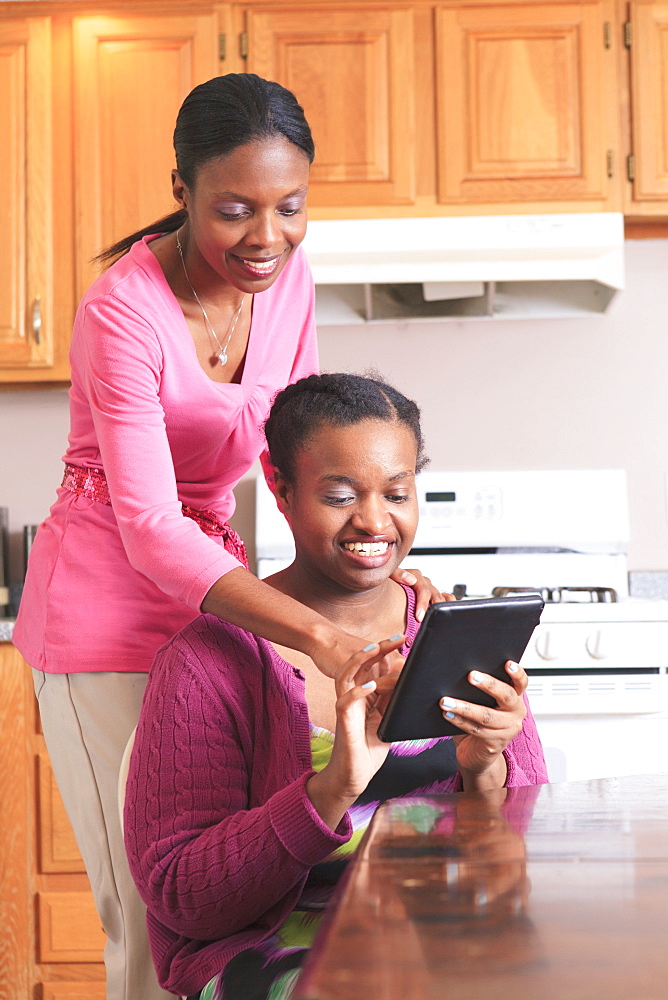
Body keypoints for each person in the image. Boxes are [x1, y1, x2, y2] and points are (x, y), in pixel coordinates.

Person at [12, 76, 437, 1000]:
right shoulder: (120, 311)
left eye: (290, 209)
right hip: (107, 614)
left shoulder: (290, 285)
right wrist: (318, 632)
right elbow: (154, 527)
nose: (267, 238)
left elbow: (307, 453)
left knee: (239, 889)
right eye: (235, 211)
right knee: (148, 912)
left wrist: (376, 569)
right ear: (182, 190)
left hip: (226, 600)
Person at [124, 372, 548, 1000]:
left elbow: (529, 849)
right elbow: (182, 897)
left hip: (441, 930)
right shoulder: (208, 661)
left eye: (397, 494)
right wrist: (332, 789)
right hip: (277, 946)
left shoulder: (446, 631)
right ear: (282, 490)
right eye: (341, 495)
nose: (374, 522)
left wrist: (485, 767)